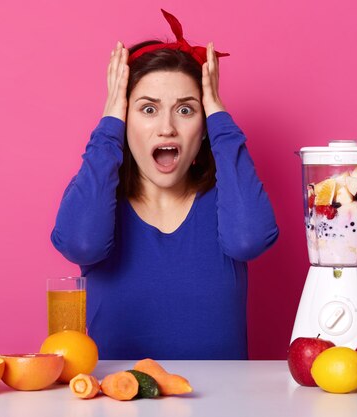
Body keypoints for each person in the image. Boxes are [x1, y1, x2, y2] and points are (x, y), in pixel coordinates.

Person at [51, 10, 279, 359]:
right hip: (118, 405)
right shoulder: (100, 205)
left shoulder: (227, 201)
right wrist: (110, 122)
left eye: (186, 110)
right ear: (126, 123)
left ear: (203, 128)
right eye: (148, 110)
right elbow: (81, 244)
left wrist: (217, 112)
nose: (167, 128)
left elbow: (249, 240)